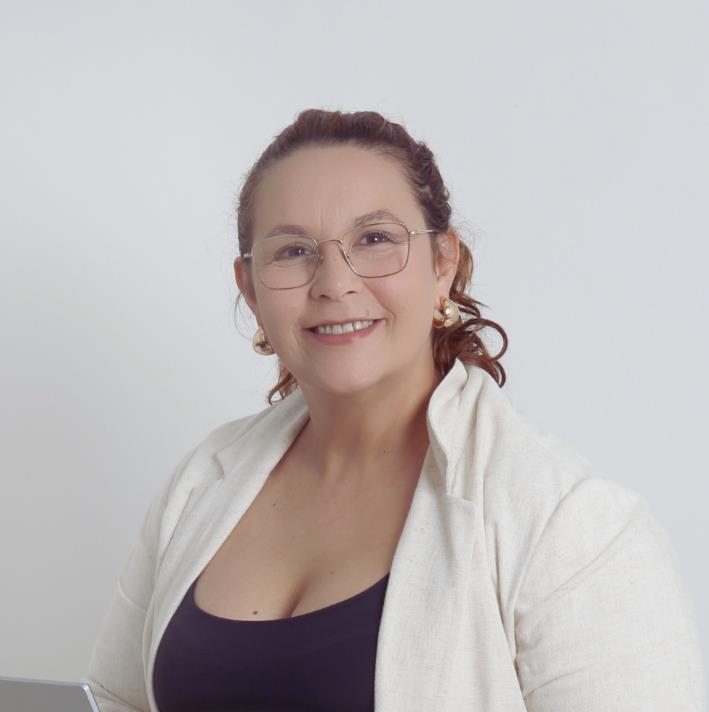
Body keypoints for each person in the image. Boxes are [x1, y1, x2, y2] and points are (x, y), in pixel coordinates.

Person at [83, 109, 705, 711]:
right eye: (293, 251)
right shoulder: (201, 481)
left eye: (375, 239)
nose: (334, 283)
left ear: (443, 264)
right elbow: (112, 700)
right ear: (250, 288)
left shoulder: (567, 520)